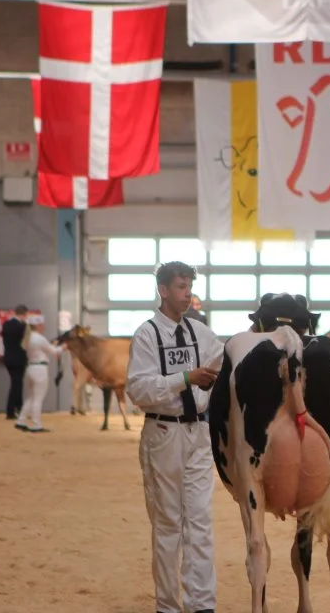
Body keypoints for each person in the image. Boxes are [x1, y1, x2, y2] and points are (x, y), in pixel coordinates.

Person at [126, 261, 223, 613]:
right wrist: (185, 378)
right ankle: (167, 606)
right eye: (181, 287)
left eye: (189, 287)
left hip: (199, 431)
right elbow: (138, 389)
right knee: (168, 523)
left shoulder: (201, 332)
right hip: (163, 432)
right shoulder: (147, 334)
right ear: (163, 290)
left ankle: (202, 604)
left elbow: (224, 359)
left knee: (200, 519)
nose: (188, 294)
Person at [15, 314, 61, 433]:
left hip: (30, 368)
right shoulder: (40, 338)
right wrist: (63, 347)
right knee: (38, 398)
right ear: (38, 325)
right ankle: (36, 424)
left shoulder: (28, 338)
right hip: (40, 369)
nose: (44, 326)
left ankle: (21, 420)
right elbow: (53, 351)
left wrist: (53, 345)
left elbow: (46, 349)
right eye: (42, 324)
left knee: (31, 397)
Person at [0, 304, 30, 420]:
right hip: (19, 359)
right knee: (16, 385)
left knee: (17, 383)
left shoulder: (6, 324)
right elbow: (26, 342)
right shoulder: (23, 326)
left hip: (8, 358)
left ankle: (19, 408)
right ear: (24, 314)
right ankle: (10, 411)